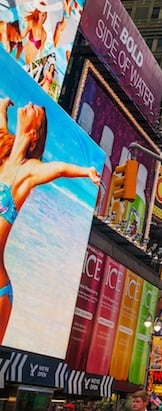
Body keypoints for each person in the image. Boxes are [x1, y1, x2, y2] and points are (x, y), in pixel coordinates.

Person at [0, 100, 100, 344]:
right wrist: (3, 107)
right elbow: (1, 127)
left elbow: (59, 168)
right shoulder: (2, 157)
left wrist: (86, 171)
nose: (32, 104)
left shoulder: (29, 171)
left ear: (34, 134)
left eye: (37, 112)